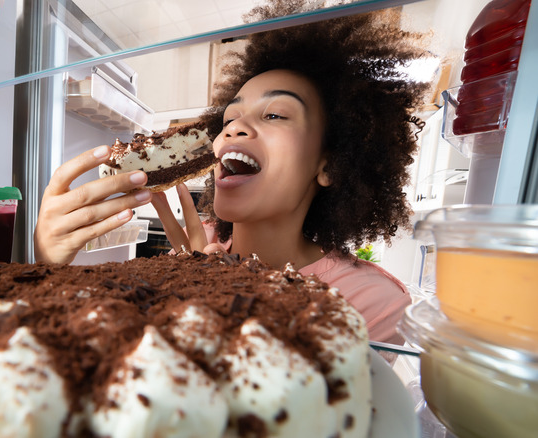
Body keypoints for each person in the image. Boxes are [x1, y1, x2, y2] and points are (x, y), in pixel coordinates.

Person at [34, 2, 429, 344]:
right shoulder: (193, 249)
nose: (233, 129)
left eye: (275, 114)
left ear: (329, 164)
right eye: (230, 118)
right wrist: (50, 271)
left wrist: (211, 305)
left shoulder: (369, 301)